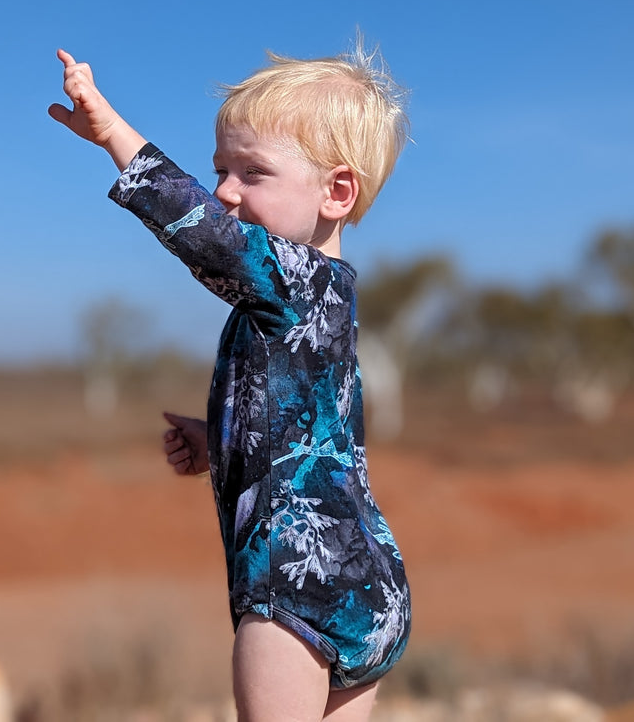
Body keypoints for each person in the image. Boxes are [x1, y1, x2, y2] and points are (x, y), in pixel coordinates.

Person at [49, 42, 411, 721]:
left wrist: (112, 135)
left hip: (294, 588)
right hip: (369, 581)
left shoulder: (290, 279)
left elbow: (205, 234)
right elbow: (315, 432)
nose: (224, 191)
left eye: (253, 172)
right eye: (221, 169)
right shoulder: (331, 300)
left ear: (336, 191)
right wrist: (218, 441)